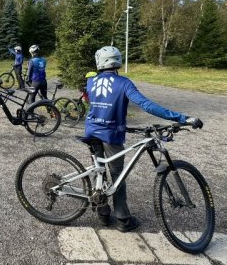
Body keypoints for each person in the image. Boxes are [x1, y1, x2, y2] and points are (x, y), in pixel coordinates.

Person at [85, 46, 203, 232]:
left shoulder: (91, 81)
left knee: (98, 171)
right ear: (117, 61)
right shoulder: (123, 83)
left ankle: (103, 215)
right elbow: (146, 105)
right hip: (111, 135)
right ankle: (123, 219)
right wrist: (180, 118)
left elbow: (95, 104)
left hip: (91, 132)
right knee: (117, 176)